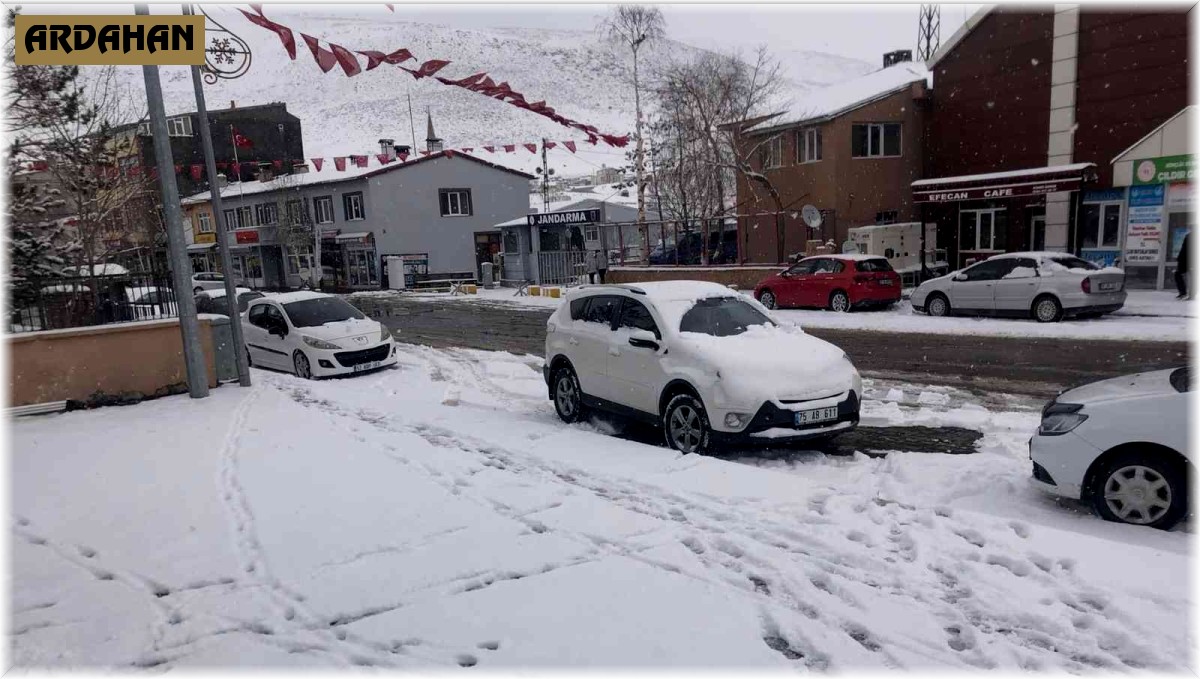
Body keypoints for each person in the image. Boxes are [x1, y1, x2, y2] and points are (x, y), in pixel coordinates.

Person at [1176, 232, 1190, 300]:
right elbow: (1184, 249)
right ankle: (1183, 293)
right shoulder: (1188, 236)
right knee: (1178, 274)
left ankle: (1185, 293)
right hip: (1183, 259)